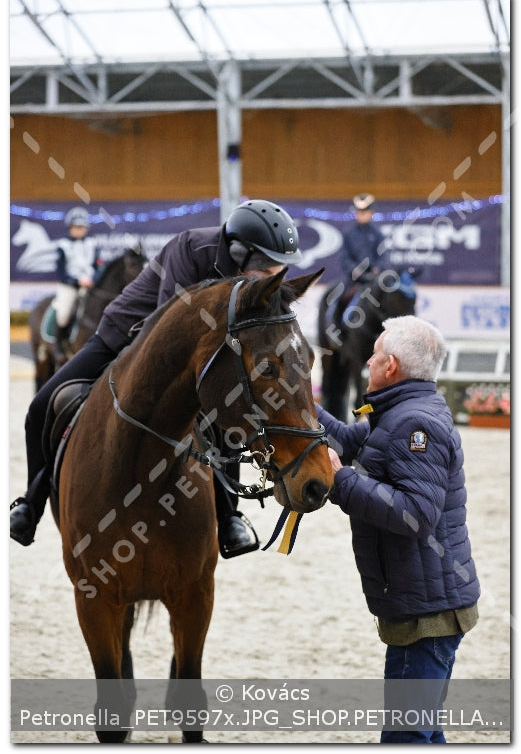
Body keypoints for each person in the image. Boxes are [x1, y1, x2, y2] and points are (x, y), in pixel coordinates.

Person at [10, 199, 303, 558]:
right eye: (268, 264)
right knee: (43, 404)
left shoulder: (250, 282)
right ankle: (32, 502)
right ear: (240, 252)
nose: (274, 273)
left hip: (191, 354)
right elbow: (166, 329)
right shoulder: (192, 248)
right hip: (126, 335)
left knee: (225, 411)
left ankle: (230, 517)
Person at [316, 315, 480, 744]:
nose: (366, 360)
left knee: (405, 738)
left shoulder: (413, 425)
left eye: (373, 354)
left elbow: (416, 515)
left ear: (390, 366)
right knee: (423, 735)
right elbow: (341, 440)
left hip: (428, 617)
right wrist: (292, 397)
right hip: (426, 606)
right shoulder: (398, 413)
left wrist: (341, 480)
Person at [51, 207, 100, 366]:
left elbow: (98, 267)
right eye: (77, 227)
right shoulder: (63, 245)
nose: (80, 230)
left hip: (89, 286)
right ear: (70, 227)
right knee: (64, 314)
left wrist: (93, 279)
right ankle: (59, 346)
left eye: (82, 227)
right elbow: (60, 272)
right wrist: (77, 282)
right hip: (69, 286)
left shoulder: (92, 244)